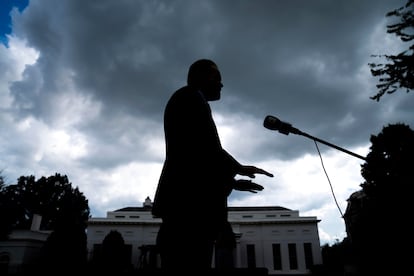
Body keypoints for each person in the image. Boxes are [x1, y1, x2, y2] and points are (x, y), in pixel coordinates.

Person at [152, 59, 273, 272]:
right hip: (188, 207)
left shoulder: (189, 100)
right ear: (199, 77)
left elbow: (199, 159)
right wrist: (238, 168)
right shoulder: (190, 97)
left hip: (187, 204)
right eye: (216, 77)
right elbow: (206, 149)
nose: (221, 84)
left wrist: (233, 181)